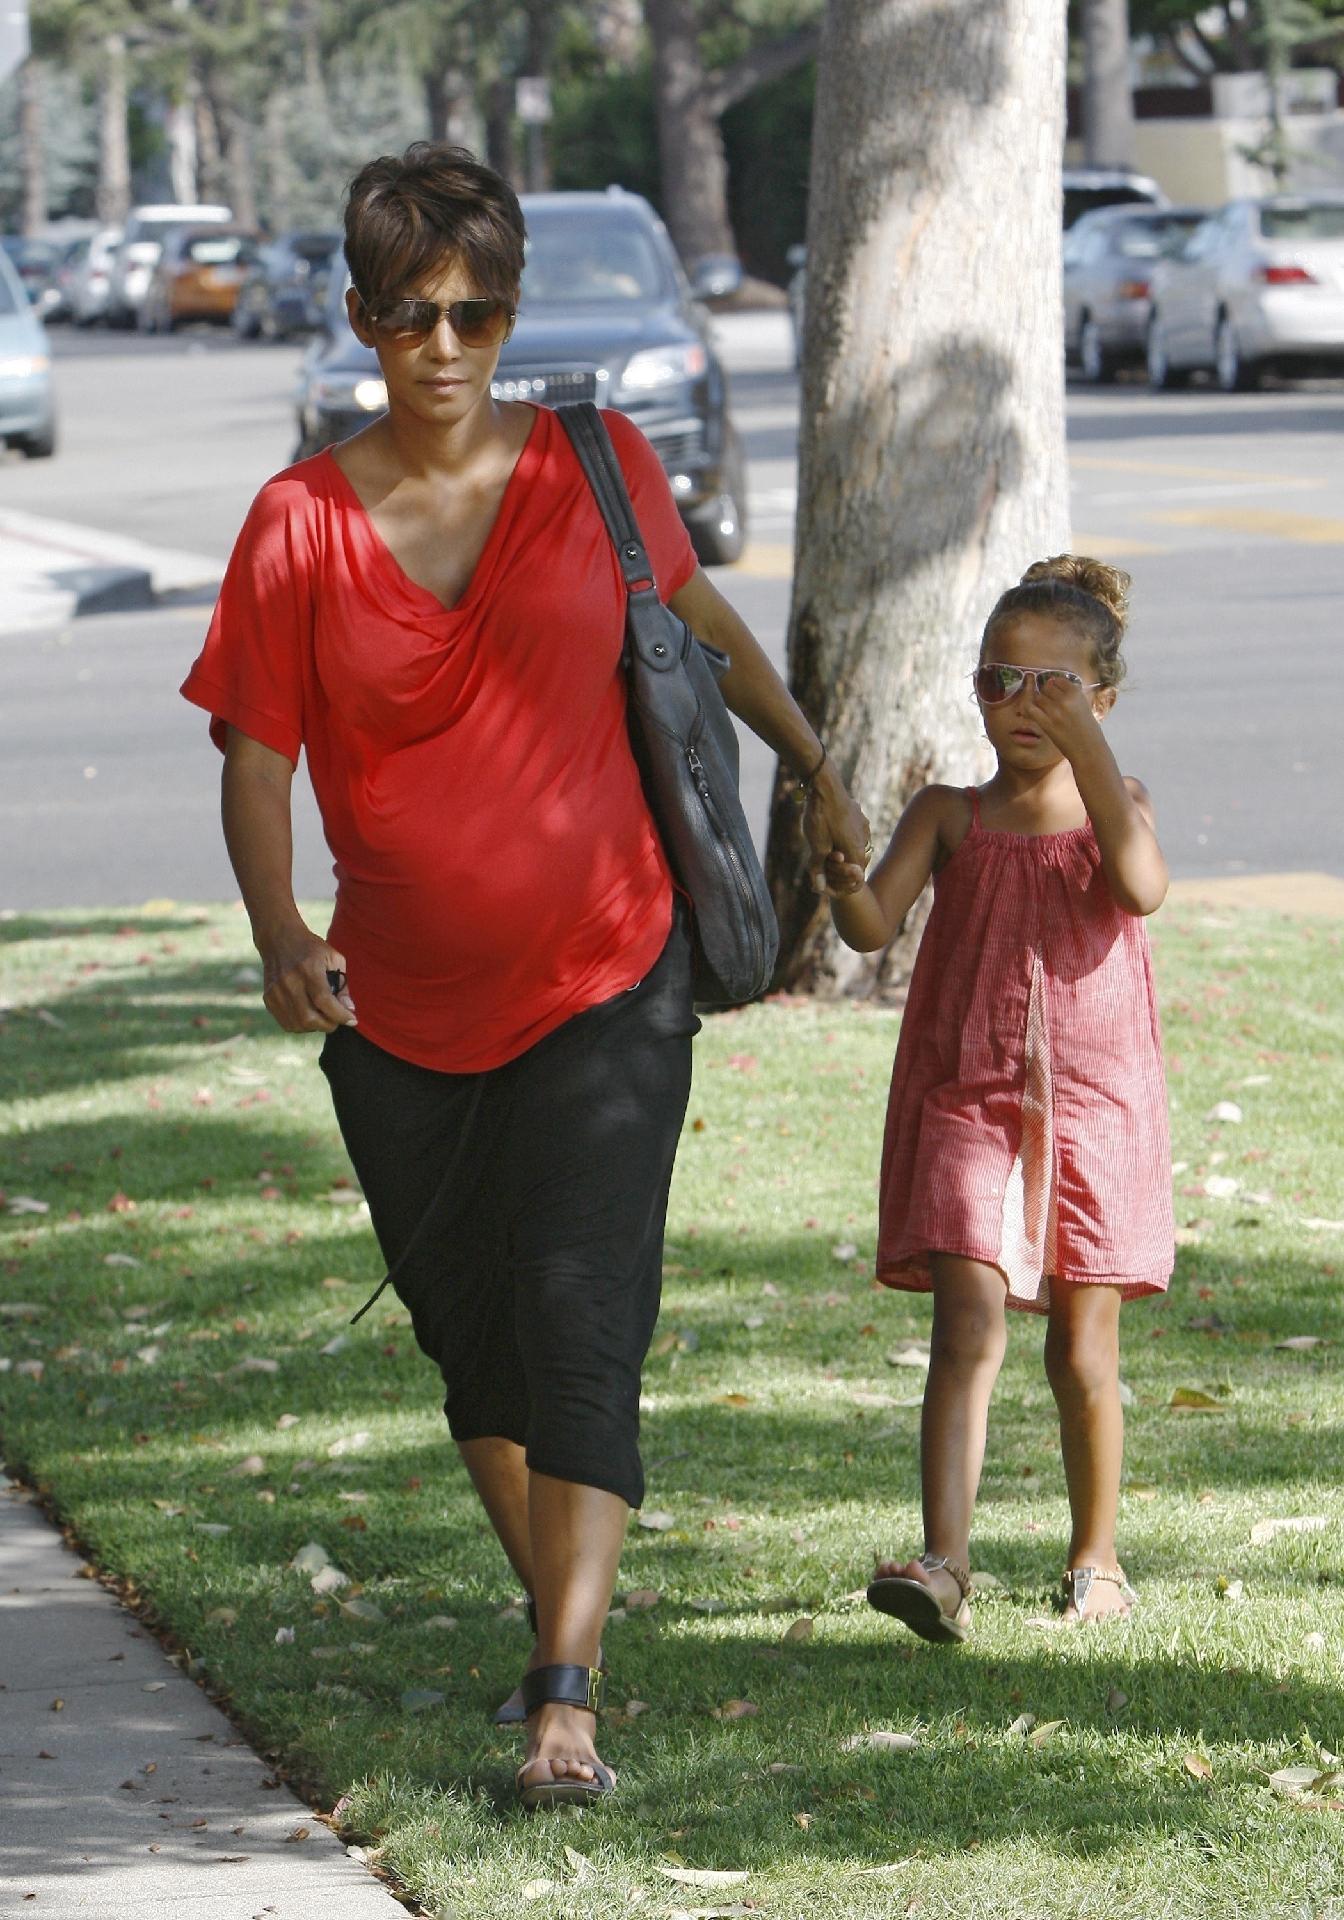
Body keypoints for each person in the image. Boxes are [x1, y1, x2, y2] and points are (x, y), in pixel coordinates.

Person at [179, 143, 867, 1808]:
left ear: (508, 314)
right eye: (411, 313)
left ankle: (565, 1690)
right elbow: (257, 759)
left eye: (476, 311)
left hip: (605, 969)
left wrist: (815, 770)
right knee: (470, 1343)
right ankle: (549, 1608)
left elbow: (700, 627)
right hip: (392, 1011)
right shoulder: (297, 526)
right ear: (357, 320)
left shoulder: (599, 460)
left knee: (579, 1310)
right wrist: (280, 928)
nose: (445, 344)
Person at [826, 556, 1173, 1641]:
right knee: (966, 1328)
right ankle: (943, 1564)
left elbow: (1141, 886)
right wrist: (834, 862)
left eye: (1052, 688)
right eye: (996, 682)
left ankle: (1096, 1558)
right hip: (965, 1095)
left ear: (1101, 700)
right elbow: (867, 927)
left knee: (1083, 1349)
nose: (1019, 708)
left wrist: (1093, 754)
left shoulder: (1122, 806)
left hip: (1095, 1103)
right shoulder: (950, 812)